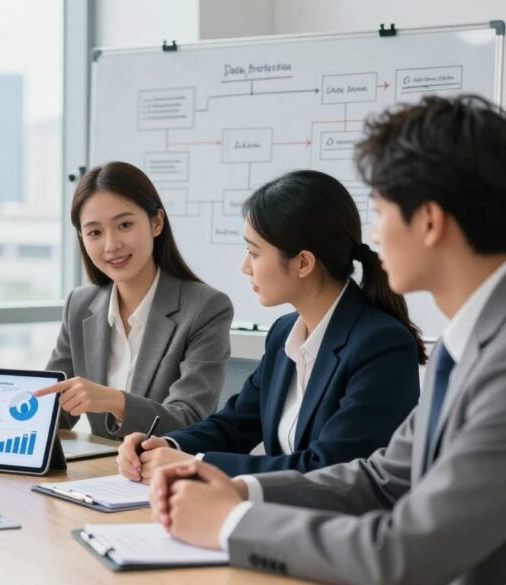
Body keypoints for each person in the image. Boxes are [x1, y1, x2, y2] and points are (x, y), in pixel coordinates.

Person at [150, 95, 506, 585]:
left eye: (380, 211)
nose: (374, 235)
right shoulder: (462, 345)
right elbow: (381, 479)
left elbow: (405, 551)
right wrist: (242, 492)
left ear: (429, 221)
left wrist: (230, 524)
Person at [116, 169, 423, 480]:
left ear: (303, 262)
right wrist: (166, 446)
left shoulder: (381, 345)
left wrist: (195, 464)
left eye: (254, 252)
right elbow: (234, 425)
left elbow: (329, 468)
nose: (244, 266)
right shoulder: (283, 334)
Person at [35, 161, 233, 439]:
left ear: (156, 222)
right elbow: (55, 409)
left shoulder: (205, 307)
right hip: (98, 473)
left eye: (124, 225)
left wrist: (116, 401)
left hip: (164, 474)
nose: (111, 245)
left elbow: (188, 420)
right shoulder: (80, 305)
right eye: (94, 232)